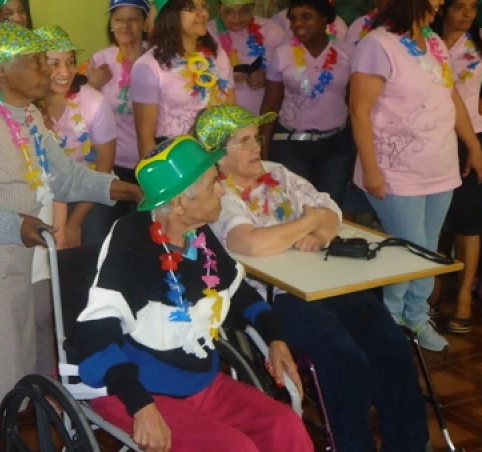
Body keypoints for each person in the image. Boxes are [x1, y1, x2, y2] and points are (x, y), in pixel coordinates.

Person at [0, 22, 142, 452]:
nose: (47, 69)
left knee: (4, 379)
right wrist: (14, 225)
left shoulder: (28, 116)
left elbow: (64, 176)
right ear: (0, 72)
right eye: (36, 61)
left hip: (6, 267)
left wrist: (124, 189)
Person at [199, 105, 431, 452]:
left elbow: (332, 211)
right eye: (243, 142)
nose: (256, 147)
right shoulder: (216, 193)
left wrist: (321, 233)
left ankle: (410, 444)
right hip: (272, 298)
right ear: (216, 155)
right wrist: (309, 222)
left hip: (323, 281)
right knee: (344, 359)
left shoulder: (279, 173)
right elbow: (249, 242)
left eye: (255, 138)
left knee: (391, 345)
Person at [69, 134, 312, 452]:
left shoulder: (196, 234)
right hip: (133, 388)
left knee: (285, 426)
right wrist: (140, 404)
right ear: (180, 202)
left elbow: (239, 295)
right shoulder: (132, 242)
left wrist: (275, 339)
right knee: (234, 448)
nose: (223, 191)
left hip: (198, 379)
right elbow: (94, 338)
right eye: (213, 184)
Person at [350, 0, 482, 351]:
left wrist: (473, 147)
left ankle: (415, 315)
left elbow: (452, 97)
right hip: (396, 171)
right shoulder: (377, 44)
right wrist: (372, 170)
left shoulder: (434, 42)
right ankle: (391, 320)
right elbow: (359, 111)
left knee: (428, 248)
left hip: (439, 165)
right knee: (408, 247)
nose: (442, 2)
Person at [432, 0, 482, 333]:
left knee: (468, 219)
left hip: (470, 138)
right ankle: (431, 288)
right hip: (430, 136)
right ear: (443, 5)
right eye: (460, 6)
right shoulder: (425, 41)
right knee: (435, 218)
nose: (468, 14)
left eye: (473, 7)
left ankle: (463, 298)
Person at [260, 0, 353, 206]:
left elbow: (354, 103)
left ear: (325, 18)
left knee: (331, 209)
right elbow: (271, 103)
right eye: (293, 19)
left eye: (306, 17)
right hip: (291, 146)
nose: (297, 24)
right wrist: (263, 150)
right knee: (297, 208)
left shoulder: (347, 53)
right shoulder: (282, 55)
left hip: (336, 146)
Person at [131, 0, 235, 158]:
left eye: (204, 6)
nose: (203, 14)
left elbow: (232, 112)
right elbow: (145, 138)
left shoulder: (218, 56)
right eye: (192, 8)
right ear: (171, 16)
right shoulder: (148, 66)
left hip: (219, 154)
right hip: (176, 160)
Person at [38, 24, 118, 248]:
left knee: (88, 246)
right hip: (44, 195)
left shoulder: (94, 103)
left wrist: (75, 222)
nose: (65, 72)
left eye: (70, 62)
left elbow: (103, 168)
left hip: (89, 194)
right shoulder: (28, 105)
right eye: (54, 64)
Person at [87, 0, 150, 189]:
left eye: (133, 19)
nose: (125, 26)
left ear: (145, 24)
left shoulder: (156, 59)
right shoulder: (100, 60)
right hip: (111, 163)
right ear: (111, 25)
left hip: (151, 161)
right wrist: (91, 87)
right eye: (118, 20)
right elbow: (80, 112)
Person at [209, 0, 285, 115]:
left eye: (244, 11)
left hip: (264, 117)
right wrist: (224, 77)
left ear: (253, 8)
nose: (236, 18)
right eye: (229, 11)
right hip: (222, 118)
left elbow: (293, 74)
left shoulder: (272, 31)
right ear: (219, 10)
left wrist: (269, 79)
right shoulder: (206, 33)